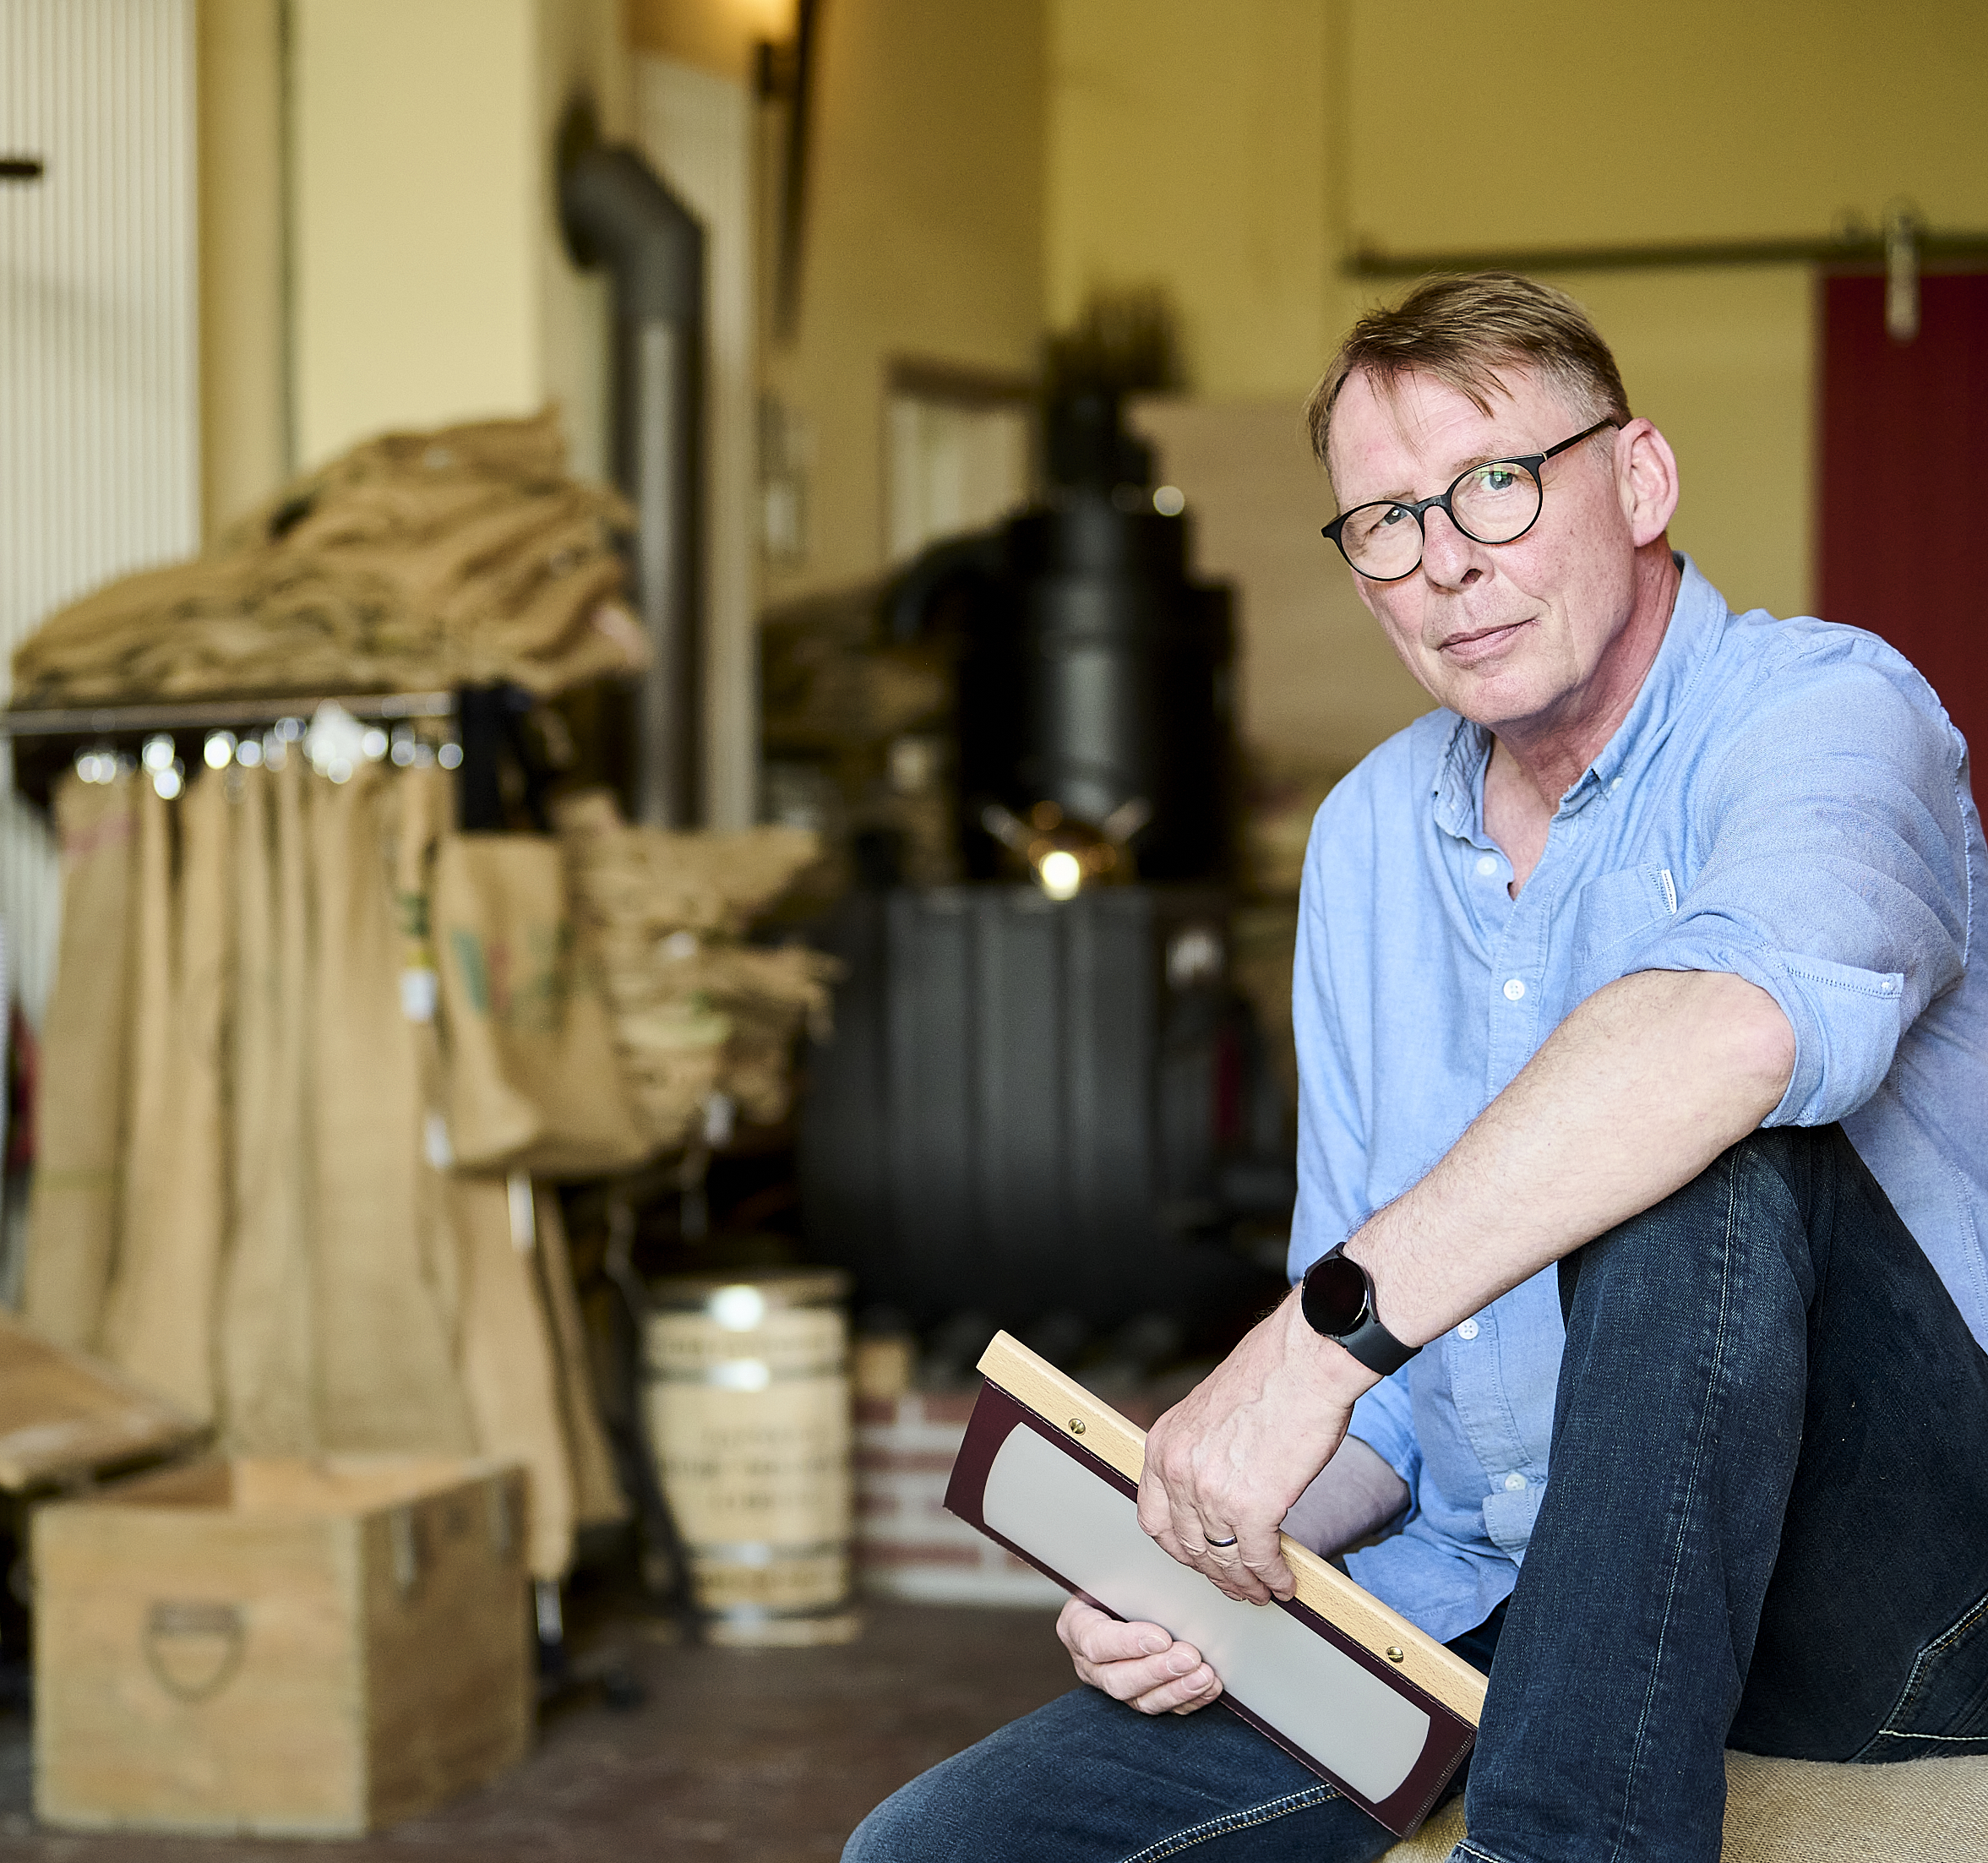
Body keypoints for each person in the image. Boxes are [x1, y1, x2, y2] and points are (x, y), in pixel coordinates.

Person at [844, 270, 1988, 1862]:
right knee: (938, 1850)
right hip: (1494, 1587)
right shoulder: (1370, 838)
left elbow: (1735, 1027)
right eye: (1386, 521)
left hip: (1885, 1587)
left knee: (1698, 1122)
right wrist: (1224, 1535)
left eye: (1498, 486)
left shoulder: (1830, 713)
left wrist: (1300, 1356)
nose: (1448, 561)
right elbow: (1393, 1411)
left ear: (1639, 479)